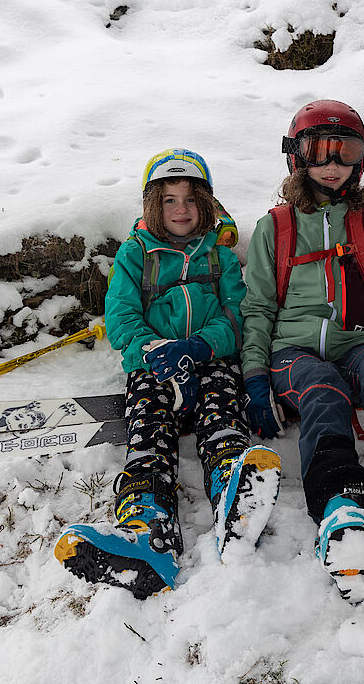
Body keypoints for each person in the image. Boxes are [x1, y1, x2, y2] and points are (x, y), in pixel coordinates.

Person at [239, 100, 364, 603]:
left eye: (345, 151)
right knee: (323, 388)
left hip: (359, 341)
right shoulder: (277, 227)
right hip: (293, 350)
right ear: (296, 158)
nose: (332, 164)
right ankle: (340, 504)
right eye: (319, 152)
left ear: (361, 160)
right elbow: (259, 308)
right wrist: (253, 376)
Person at [54, 149, 280, 599]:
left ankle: (235, 493)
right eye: (170, 200)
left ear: (207, 205)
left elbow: (238, 313)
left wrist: (200, 346)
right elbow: (121, 318)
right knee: (149, 430)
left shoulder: (220, 255)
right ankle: (146, 530)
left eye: (191, 200)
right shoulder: (135, 253)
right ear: (153, 205)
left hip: (209, 360)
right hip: (155, 365)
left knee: (223, 414)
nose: (181, 210)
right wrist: (156, 351)